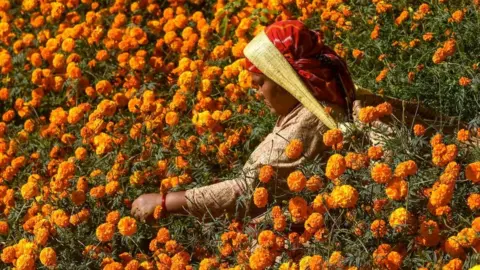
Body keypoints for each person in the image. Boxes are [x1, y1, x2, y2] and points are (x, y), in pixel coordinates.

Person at [130, 20, 357, 222]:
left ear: (285, 79)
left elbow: (248, 190)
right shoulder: (323, 98)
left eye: (260, 83)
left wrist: (165, 202)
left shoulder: (309, 123)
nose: (257, 91)